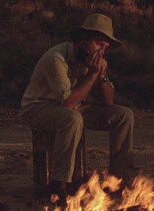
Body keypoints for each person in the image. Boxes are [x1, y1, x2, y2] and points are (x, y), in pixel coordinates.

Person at [21, 13, 134, 205]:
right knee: (73, 118)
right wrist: (91, 75)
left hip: (74, 107)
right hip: (39, 107)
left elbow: (108, 102)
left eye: (105, 47)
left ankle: (117, 180)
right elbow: (67, 103)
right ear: (83, 40)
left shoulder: (93, 61)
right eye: (99, 43)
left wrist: (101, 76)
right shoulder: (57, 58)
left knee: (124, 115)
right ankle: (59, 184)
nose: (102, 51)